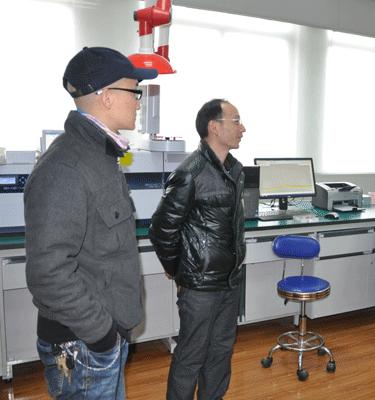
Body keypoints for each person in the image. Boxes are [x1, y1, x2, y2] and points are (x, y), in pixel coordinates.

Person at [24, 47, 158, 399]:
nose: (139, 102)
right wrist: (102, 335)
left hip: (97, 340)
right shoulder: (66, 167)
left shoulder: (100, 156)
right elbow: (48, 273)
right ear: (107, 96)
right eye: (134, 91)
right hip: (83, 345)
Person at [149, 99, 247, 400]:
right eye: (236, 120)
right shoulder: (190, 172)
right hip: (200, 285)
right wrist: (178, 270)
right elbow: (161, 229)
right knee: (191, 355)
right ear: (214, 127)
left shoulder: (235, 169)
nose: (242, 128)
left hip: (230, 280)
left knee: (221, 352)